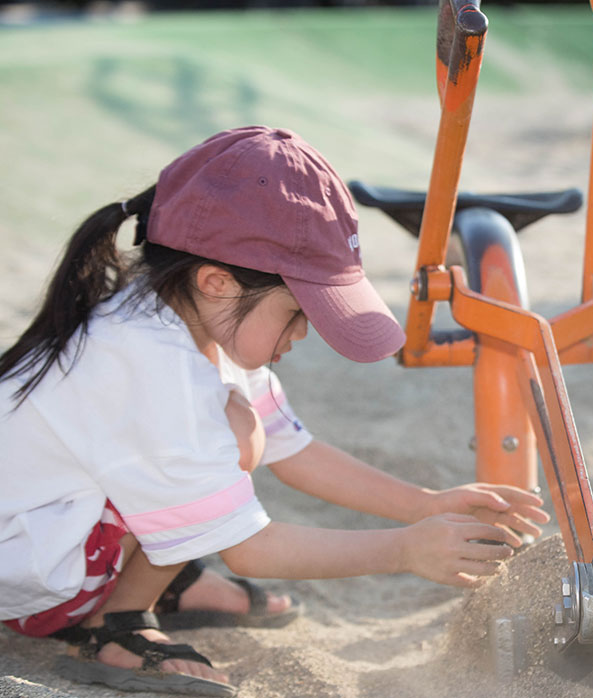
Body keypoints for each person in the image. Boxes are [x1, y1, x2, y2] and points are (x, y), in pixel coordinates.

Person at [0, 126, 550, 697]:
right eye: (297, 309)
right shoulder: (153, 370)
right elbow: (247, 546)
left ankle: (164, 577)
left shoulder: (185, 317)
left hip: (58, 528)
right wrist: (403, 549)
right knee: (235, 436)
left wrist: (424, 505)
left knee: (241, 433)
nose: (308, 330)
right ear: (216, 281)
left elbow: (296, 453)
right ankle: (114, 624)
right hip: (38, 583)